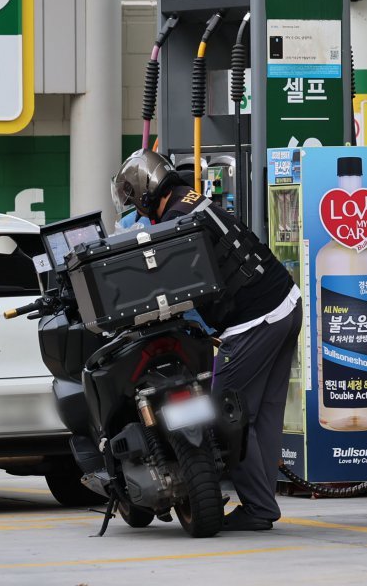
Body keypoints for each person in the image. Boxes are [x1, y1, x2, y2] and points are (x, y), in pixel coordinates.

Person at [111, 150, 303, 530]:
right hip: (285, 303)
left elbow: (171, 282)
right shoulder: (192, 201)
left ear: (147, 192)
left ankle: (260, 507)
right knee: (260, 414)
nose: (141, 211)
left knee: (221, 414)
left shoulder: (174, 221)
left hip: (254, 320)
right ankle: (262, 505)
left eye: (137, 201)